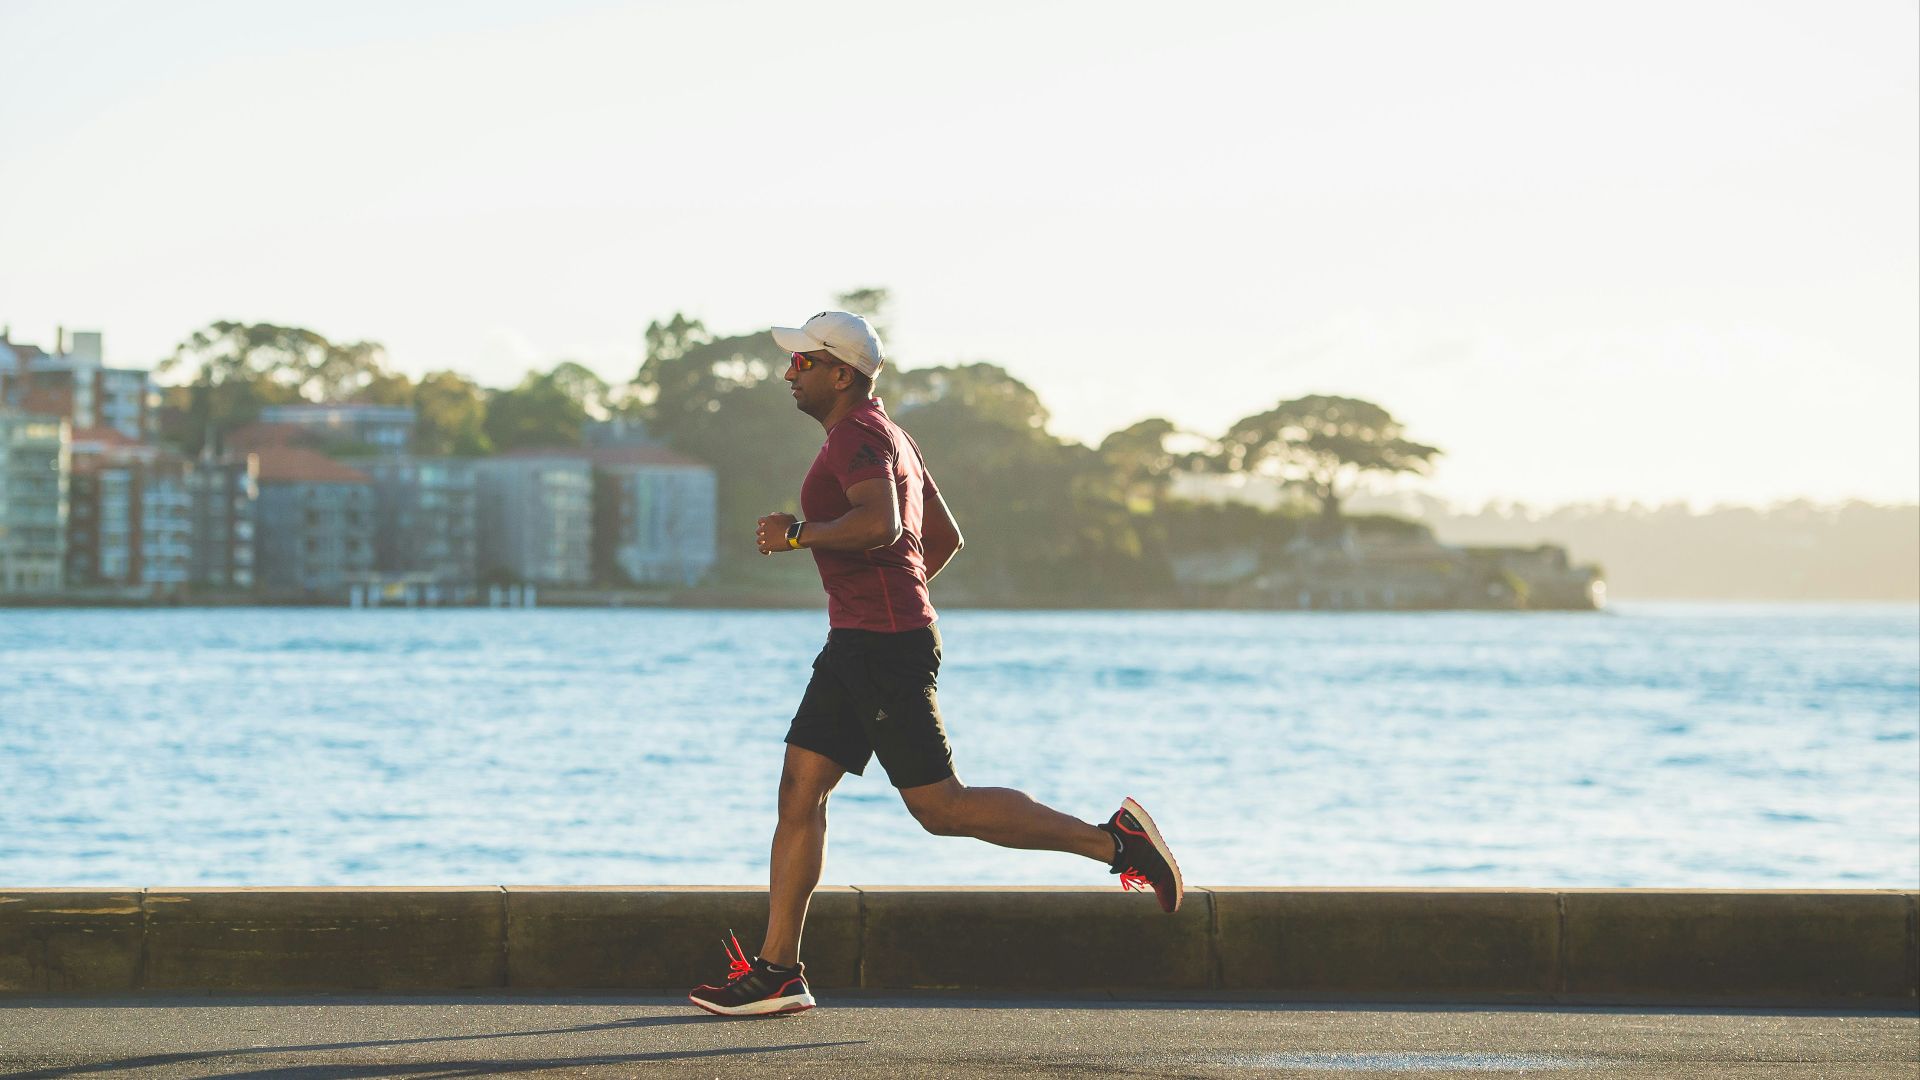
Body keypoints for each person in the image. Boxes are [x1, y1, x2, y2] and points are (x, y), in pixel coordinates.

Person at [688, 310, 1182, 1018]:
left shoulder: (859, 436)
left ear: (841, 372)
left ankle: (1116, 843)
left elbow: (885, 525)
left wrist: (799, 535)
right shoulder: (892, 436)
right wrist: (893, 596)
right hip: (863, 642)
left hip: (880, 647)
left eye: (803, 362)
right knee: (800, 792)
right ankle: (778, 971)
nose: (789, 373)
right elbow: (942, 537)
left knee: (940, 808)